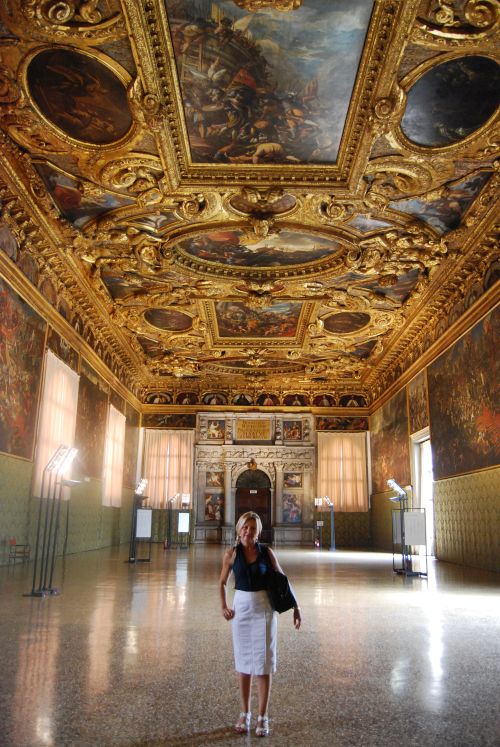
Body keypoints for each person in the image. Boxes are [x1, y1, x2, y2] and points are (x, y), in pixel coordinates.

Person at [219, 511, 301, 737]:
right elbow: (222, 582)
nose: (248, 531)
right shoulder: (232, 554)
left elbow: (283, 579)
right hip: (241, 610)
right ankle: (244, 713)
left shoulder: (267, 552)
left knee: (263, 664)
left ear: (258, 531)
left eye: (253, 528)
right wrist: (224, 606)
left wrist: (296, 606)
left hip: (264, 609)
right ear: (239, 529)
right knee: (244, 663)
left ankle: (262, 716)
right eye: (245, 527)